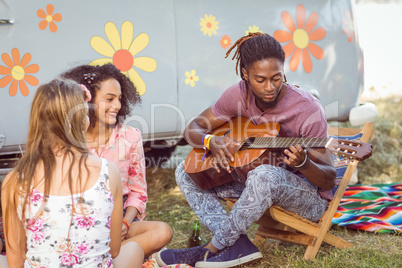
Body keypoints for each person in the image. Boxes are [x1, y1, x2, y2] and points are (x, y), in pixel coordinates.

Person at [156, 32, 336, 268]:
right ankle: (238, 244)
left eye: (277, 77)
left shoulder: (307, 108)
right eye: (260, 80)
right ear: (245, 75)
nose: (270, 87)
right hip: (253, 184)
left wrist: (304, 163)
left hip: (307, 199)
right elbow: (193, 128)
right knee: (184, 172)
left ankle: (211, 249)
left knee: (263, 175)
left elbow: (328, 179)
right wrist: (211, 141)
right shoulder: (237, 94)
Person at [1, 78, 144, 267]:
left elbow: (15, 259)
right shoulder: (109, 173)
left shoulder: (13, 182)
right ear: (79, 122)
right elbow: (114, 249)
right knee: (134, 249)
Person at [61, 63, 173, 258]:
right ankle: (117, 256)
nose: (117, 106)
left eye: (120, 99)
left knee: (163, 232)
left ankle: (100, 256)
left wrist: (125, 224)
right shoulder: (71, 139)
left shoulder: (131, 137)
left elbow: (138, 192)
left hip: (119, 219)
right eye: (109, 99)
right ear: (87, 101)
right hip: (81, 221)